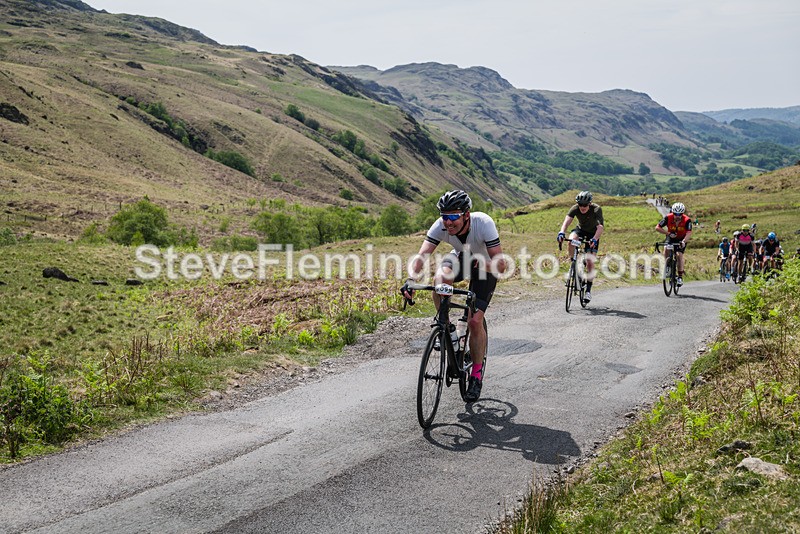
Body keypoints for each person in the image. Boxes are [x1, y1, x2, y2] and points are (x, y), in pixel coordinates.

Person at [401, 190, 506, 403]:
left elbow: (501, 265)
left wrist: (479, 262)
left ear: (466, 215)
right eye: (444, 216)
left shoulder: (483, 223)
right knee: (441, 278)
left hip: (486, 265)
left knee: (474, 321)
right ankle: (446, 326)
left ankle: (476, 375)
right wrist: (411, 280)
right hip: (461, 257)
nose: (448, 222)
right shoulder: (440, 226)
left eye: (453, 217)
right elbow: (422, 255)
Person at [557, 191, 604, 303]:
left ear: (590, 204)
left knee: (590, 262)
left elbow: (600, 227)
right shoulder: (575, 208)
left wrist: (595, 239)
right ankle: (572, 265)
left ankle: (588, 290)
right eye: (580, 205)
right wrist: (562, 232)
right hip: (581, 230)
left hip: (593, 234)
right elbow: (567, 221)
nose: (582, 207)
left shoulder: (596, 209)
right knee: (571, 241)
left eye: (585, 205)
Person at [655, 202, 692, 286]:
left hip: (681, 239)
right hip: (670, 237)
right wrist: (667, 233)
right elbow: (657, 227)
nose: (677, 216)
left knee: (679, 255)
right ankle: (668, 267)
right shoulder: (668, 217)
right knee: (666, 248)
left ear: (682, 214)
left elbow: (689, 233)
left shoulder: (687, 220)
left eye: (680, 214)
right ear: (672, 212)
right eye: (675, 214)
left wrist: (683, 242)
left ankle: (679, 277)